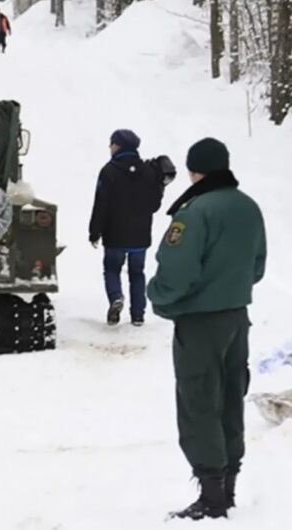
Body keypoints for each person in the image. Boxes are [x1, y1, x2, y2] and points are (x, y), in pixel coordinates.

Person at [147, 138, 266, 520]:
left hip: (200, 323)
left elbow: (176, 272)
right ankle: (229, 485)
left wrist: (159, 298)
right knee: (232, 397)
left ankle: (212, 496)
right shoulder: (249, 207)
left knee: (200, 401)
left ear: (194, 170)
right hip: (237, 317)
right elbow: (257, 266)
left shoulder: (194, 213)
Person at [88, 129, 171, 326]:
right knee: (137, 272)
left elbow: (101, 203)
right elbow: (154, 205)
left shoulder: (108, 171)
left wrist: (94, 231)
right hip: (140, 235)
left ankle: (116, 297)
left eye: (111, 144)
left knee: (112, 269)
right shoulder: (149, 171)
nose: (110, 147)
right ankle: (138, 315)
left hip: (115, 233)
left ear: (118, 146)